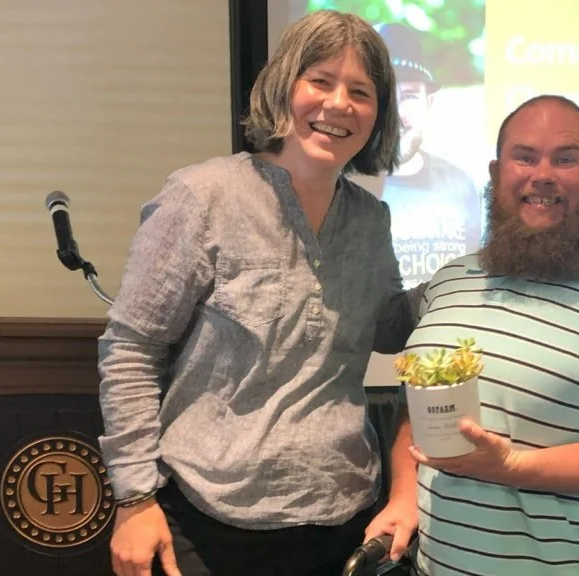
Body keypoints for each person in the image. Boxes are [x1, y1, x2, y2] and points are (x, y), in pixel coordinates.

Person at [97, 10, 425, 576]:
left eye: (361, 91)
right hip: (204, 524)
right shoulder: (202, 197)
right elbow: (131, 350)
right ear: (283, 87)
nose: (338, 104)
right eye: (320, 81)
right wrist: (134, 500)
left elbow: (393, 329)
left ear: (378, 114)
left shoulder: (372, 220)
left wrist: (477, 277)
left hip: (343, 520)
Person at [375, 94, 579, 575]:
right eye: (524, 156)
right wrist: (404, 494)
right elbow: (417, 405)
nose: (541, 174)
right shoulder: (449, 282)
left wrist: (514, 468)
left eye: (565, 159)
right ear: (495, 172)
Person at [370, 22, 484, 290]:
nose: (396, 114)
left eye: (409, 96)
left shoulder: (460, 186)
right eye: (385, 97)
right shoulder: (340, 190)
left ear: (428, 104)